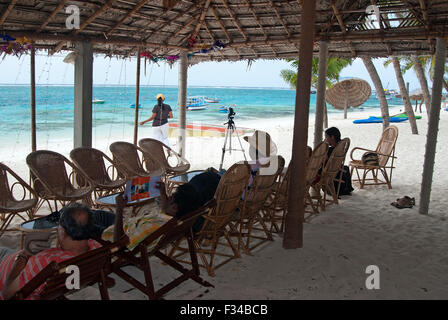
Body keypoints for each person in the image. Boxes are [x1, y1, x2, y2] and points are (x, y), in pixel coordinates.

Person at [158, 168, 221, 233]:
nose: (170, 197)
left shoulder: (196, 220)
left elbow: (168, 213)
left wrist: (163, 195)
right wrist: (163, 193)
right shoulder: (193, 191)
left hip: (207, 217)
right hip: (214, 184)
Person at [324, 127, 354, 196]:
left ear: (332, 137)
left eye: (326, 137)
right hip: (335, 170)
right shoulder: (340, 148)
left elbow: (323, 163)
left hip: (328, 175)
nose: (325, 139)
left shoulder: (330, 151)